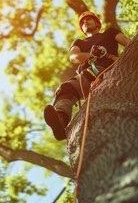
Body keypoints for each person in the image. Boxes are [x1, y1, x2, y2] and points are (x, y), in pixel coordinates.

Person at [44, 11, 131, 140]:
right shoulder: (79, 42)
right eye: (83, 22)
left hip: (108, 68)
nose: (85, 22)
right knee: (65, 89)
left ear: (97, 23)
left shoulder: (110, 33)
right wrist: (92, 55)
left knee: (70, 87)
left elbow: (128, 43)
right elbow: (74, 57)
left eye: (89, 19)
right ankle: (61, 120)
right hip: (88, 74)